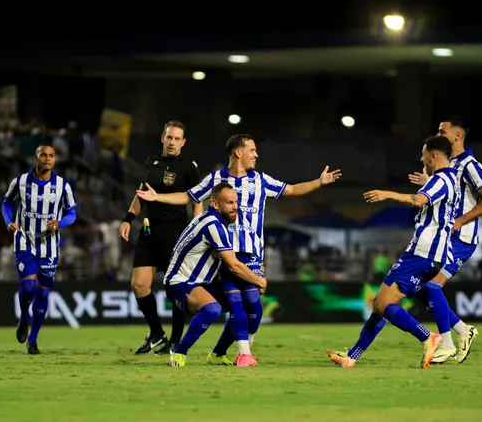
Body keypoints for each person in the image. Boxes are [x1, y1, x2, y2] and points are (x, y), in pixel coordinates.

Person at [137, 134, 341, 365]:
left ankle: (220, 351)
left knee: (253, 305)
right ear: (238, 153)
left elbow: (292, 190)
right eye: (252, 150)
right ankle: (243, 353)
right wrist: (157, 197)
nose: (256, 154)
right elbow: (187, 197)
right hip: (226, 255)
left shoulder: (261, 181)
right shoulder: (215, 180)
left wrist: (319, 182)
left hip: (253, 254)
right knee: (235, 303)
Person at [327, 136, 458, 369]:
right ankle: (352, 356)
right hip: (432, 255)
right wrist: (427, 181)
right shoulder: (447, 180)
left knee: (383, 304)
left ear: (433, 155)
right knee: (380, 303)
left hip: (422, 253)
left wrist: (388, 194)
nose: (421, 158)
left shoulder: (442, 179)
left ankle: (428, 337)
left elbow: (419, 201)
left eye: (423, 154)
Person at [407, 116, 482, 363]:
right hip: (443, 239)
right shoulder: (446, 164)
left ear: (457, 136)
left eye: (442, 131)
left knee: (432, 286)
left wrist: (459, 221)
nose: (438, 133)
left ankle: (446, 344)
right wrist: (428, 182)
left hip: (461, 239)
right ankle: (463, 330)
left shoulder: (470, 165)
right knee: (418, 286)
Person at [119, 120, 203, 355]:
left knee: (175, 288)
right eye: (169, 137)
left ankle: (175, 340)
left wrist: (196, 228)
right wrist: (127, 218)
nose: (172, 142)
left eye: (177, 138)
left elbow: (196, 200)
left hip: (175, 232)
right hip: (148, 230)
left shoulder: (189, 166)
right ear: (162, 138)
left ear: (183, 143)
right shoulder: (151, 162)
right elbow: (141, 194)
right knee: (139, 284)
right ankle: (157, 332)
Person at [164, 183, 266, 367]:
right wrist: (259, 280)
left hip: (201, 283)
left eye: (236, 202)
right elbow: (234, 265)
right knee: (212, 309)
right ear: (215, 204)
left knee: (239, 303)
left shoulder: (209, 220)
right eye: (229, 203)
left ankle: (218, 353)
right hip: (180, 282)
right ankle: (180, 352)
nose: (235, 207)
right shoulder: (213, 225)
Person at [2, 143, 77, 355]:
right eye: (43, 155)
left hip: (50, 246)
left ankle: (33, 339)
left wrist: (59, 223)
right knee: (28, 288)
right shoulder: (20, 182)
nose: (47, 159)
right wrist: (9, 221)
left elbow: (72, 212)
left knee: (43, 294)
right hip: (25, 240)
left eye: (51, 156)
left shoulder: (63, 186)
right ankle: (24, 316)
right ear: (36, 157)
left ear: (55, 160)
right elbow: (7, 203)